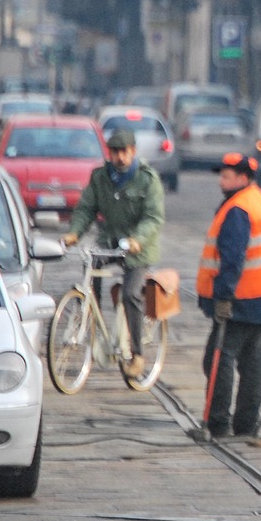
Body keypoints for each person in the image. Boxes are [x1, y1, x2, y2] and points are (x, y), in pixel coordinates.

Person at [62, 128, 165, 377]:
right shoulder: (100, 177)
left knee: (130, 294)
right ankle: (93, 323)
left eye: (124, 152)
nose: (119, 157)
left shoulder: (147, 179)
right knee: (90, 271)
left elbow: (153, 217)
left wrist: (137, 239)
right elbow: (86, 208)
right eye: (115, 152)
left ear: (133, 151)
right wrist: (74, 232)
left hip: (138, 249)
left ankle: (138, 355)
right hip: (109, 242)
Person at [196, 152, 261, 438]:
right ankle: (246, 423)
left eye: (226, 175)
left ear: (243, 177)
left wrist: (223, 296)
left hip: (239, 299)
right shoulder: (259, 201)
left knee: (218, 358)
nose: (221, 180)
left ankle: (218, 422)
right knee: (252, 361)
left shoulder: (238, 209)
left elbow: (233, 259)